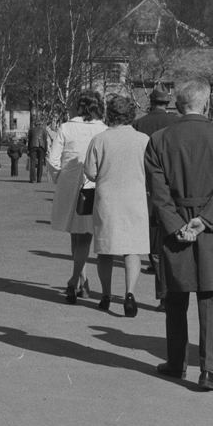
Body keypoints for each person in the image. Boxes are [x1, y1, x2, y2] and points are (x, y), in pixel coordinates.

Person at [145, 80, 213, 392]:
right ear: (207, 102)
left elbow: (158, 193)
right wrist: (207, 218)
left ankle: (176, 362)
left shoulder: (159, 139)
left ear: (178, 104)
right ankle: (208, 370)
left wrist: (176, 225)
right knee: (210, 300)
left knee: (175, 298)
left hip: (176, 224)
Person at [83, 95, 150, 316]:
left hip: (107, 199)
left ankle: (106, 294)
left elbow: (91, 172)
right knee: (132, 250)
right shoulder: (143, 140)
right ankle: (130, 293)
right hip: (135, 199)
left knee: (106, 249)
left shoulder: (100, 140)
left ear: (109, 114)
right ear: (131, 114)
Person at [48, 90, 108, 303]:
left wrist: (59, 179)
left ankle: (78, 280)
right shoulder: (104, 131)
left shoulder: (66, 128)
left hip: (68, 183)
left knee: (75, 234)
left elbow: (53, 160)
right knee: (84, 235)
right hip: (92, 185)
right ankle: (79, 280)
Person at [131, 87, 179, 277]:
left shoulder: (138, 124)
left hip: (145, 180)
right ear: (168, 103)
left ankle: (154, 257)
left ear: (150, 102)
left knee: (150, 223)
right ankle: (165, 260)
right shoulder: (176, 122)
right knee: (166, 221)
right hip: (170, 179)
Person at [27, 118, 50, 183]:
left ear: (35, 124)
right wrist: (46, 150)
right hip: (41, 146)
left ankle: (32, 178)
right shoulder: (44, 130)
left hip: (33, 146)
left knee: (33, 162)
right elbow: (45, 140)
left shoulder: (31, 130)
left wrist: (28, 149)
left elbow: (29, 140)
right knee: (40, 163)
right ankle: (39, 179)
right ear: (40, 124)